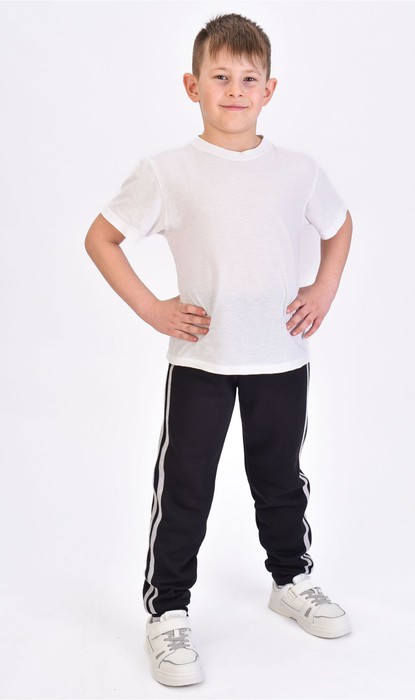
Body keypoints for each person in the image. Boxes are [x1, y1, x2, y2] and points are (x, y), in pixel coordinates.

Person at [85, 12, 353, 688]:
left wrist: (323, 287)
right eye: (220, 77)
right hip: (202, 361)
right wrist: (153, 308)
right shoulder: (168, 171)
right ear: (192, 85)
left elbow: (339, 225)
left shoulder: (298, 170)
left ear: (270, 89)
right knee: (185, 488)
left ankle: (290, 580)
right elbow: (102, 238)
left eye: (249, 79)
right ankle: (167, 611)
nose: (235, 90)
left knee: (280, 478)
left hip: (281, 358)